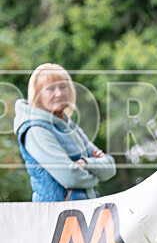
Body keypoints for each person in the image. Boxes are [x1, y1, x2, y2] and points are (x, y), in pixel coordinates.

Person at [14, 63, 116, 202]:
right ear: (38, 96)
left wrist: (86, 164)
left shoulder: (70, 126)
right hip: (56, 218)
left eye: (63, 86)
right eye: (51, 89)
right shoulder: (35, 130)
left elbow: (110, 167)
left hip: (86, 214)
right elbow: (70, 177)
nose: (59, 93)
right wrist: (96, 174)